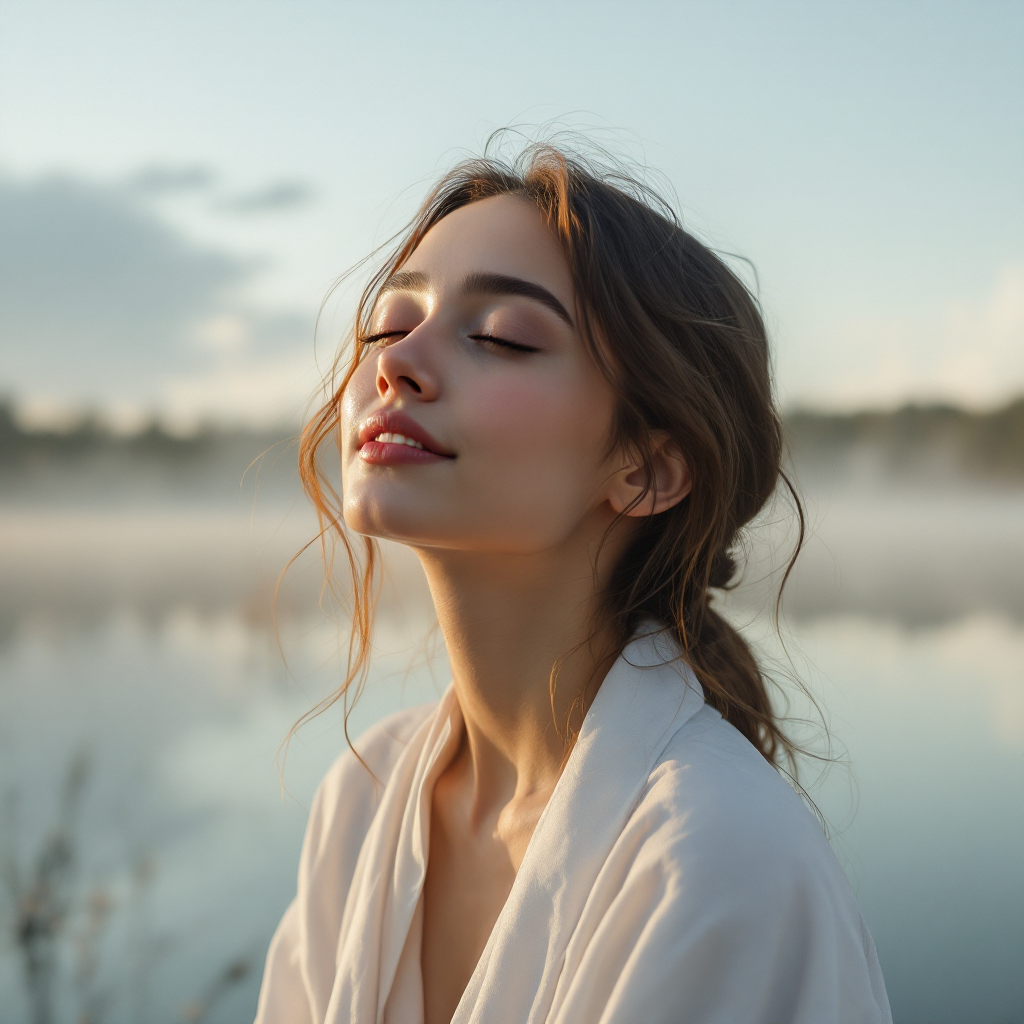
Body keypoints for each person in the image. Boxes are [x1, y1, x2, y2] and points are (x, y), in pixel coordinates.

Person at [254, 142, 892, 1024]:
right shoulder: (364, 798)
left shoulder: (718, 859)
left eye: (501, 337)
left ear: (647, 468)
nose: (397, 363)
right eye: (388, 325)